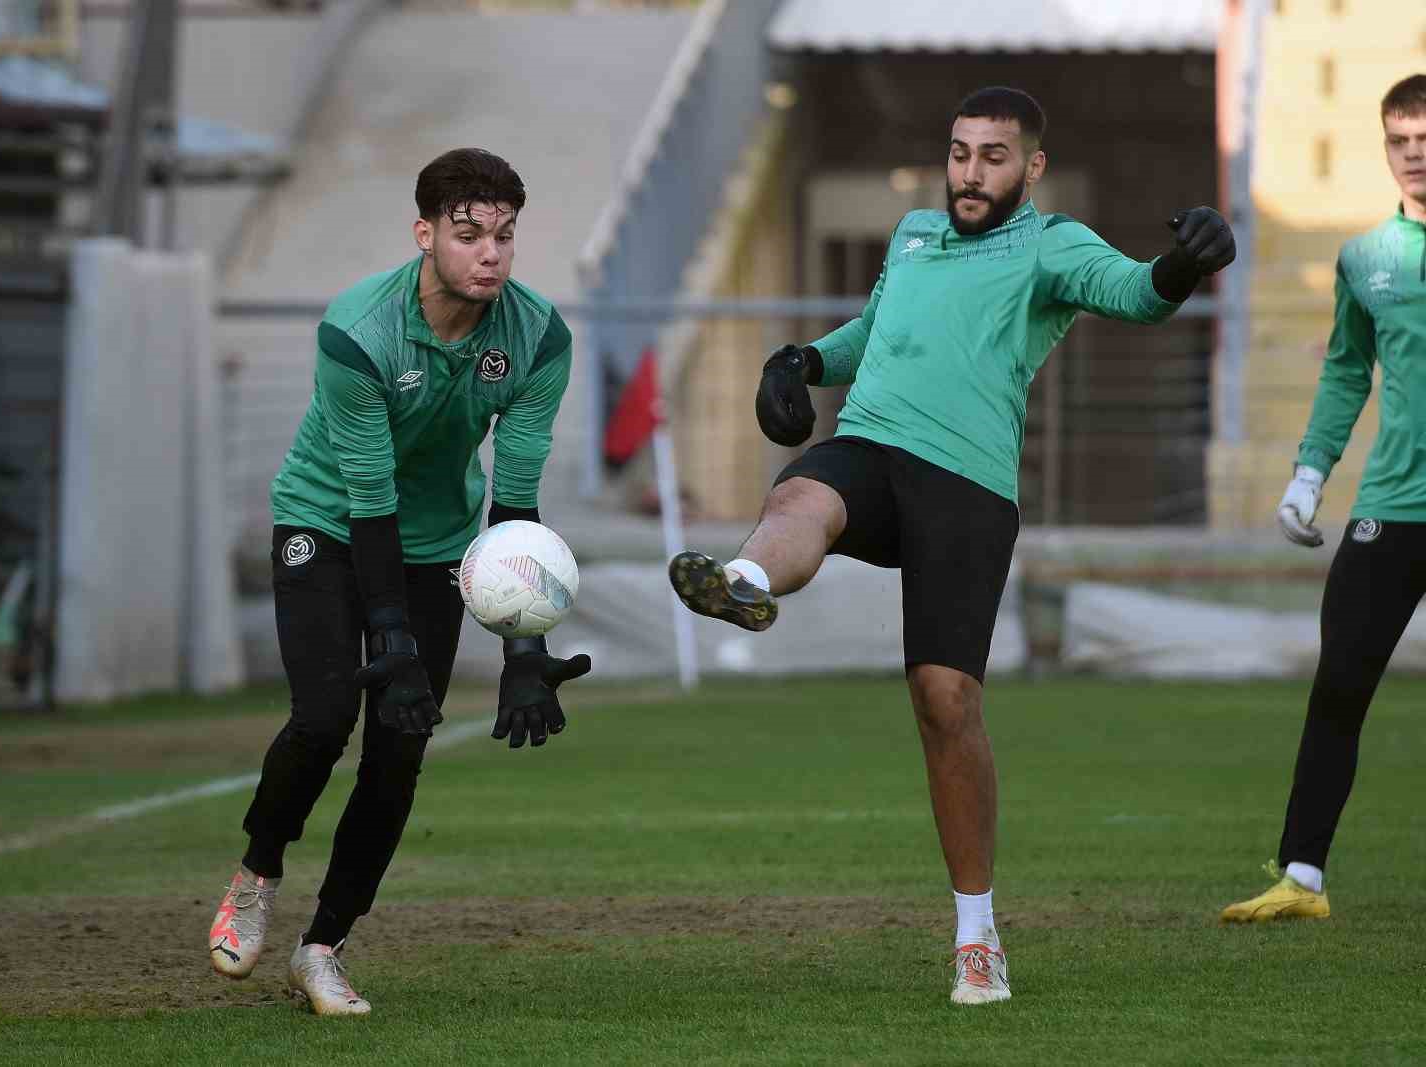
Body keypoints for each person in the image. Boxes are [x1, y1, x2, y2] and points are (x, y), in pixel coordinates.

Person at [668, 87, 1235, 1005]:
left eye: (994, 157)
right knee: (805, 491)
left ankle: (978, 936)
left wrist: (1184, 263)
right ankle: (740, 578)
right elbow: (877, 333)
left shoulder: (1052, 245)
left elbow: (1135, 296)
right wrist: (805, 361)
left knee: (945, 702)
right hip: (872, 444)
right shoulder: (915, 233)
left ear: (1032, 167)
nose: (971, 172)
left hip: (965, 485)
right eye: (961, 152)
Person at [207, 148, 591, 1015]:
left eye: (504, 235)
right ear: (424, 235)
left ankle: (323, 948)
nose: (490, 253)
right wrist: (390, 634)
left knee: (402, 743)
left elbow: (517, 503)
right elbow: (368, 495)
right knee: (323, 714)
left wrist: (525, 649)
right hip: (327, 521)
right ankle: (258, 868)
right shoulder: (358, 330)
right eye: (467, 235)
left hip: (437, 546)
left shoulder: (538, 336)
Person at [1222, 74, 1426, 924]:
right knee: (1339, 684)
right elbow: (1347, 369)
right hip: (1395, 504)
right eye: (1399, 140)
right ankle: (1302, 876)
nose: (1414, 155)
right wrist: (1310, 473)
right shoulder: (1366, 257)